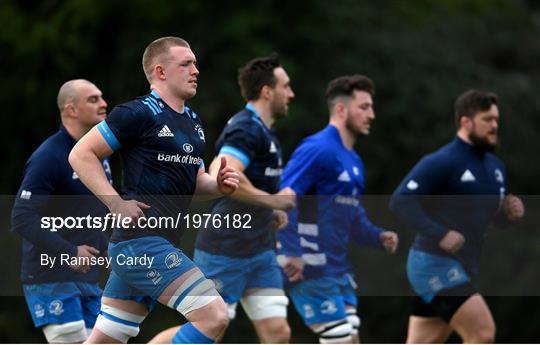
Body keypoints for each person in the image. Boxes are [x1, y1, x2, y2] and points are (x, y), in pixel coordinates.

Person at [68, 37, 239, 344]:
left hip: (149, 245)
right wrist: (116, 203)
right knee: (213, 316)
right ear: (160, 72)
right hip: (142, 244)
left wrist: (218, 186)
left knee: (105, 339)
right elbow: (81, 154)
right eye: (186, 63)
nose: (196, 70)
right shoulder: (137, 113)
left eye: (195, 63)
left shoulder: (193, 122)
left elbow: (195, 182)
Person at [390, 89, 525, 343]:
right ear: (465, 122)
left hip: (461, 266)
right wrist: (440, 234)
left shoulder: (496, 168)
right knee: (482, 333)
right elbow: (400, 201)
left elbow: (486, 219)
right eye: (487, 119)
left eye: (496, 119)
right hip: (433, 263)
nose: (495, 125)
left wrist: (507, 216)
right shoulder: (442, 161)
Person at [277, 75, 399, 344]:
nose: (372, 115)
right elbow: (284, 200)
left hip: (339, 270)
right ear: (342, 109)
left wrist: (377, 236)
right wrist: (291, 251)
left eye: (371, 107)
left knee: (351, 339)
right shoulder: (317, 148)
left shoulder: (353, 160)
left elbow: (352, 214)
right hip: (311, 266)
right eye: (364, 107)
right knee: (340, 340)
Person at [190, 53, 295, 343]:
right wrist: (272, 201)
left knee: (278, 332)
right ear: (267, 91)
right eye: (286, 86)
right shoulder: (246, 127)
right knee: (207, 330)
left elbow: (249, 188)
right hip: (225, 250)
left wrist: (267, 209)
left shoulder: (266, 133)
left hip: (260, 251)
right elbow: (224, 171)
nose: (291, 94)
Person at [11, 79, 111, 343]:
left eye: (101, 97)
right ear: (71, 109)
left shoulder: (100, 154)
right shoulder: (49, 156)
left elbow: (94, 213)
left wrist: (110, 248)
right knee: (73, 340)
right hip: (50, 275)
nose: (103, 104)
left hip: (88, 277)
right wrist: (69, 252)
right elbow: (22, 217)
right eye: (93, 99)